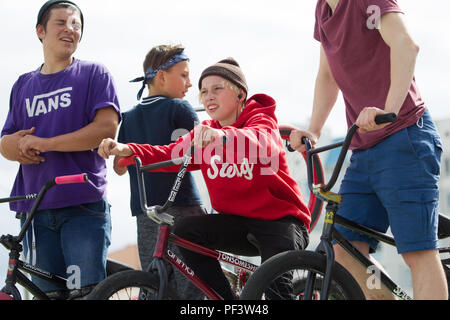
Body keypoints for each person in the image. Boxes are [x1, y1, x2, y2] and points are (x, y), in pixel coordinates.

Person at [98, 57, 311, 299]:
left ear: (240, 94)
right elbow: (170, 154)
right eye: (203, 92)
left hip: (281, 221)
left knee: (276, 289)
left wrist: (221, 137)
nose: (208, 96)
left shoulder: (260, 120)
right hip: (238, 223)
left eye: (217, 89)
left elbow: (262, 144)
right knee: (186, 230)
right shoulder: (205, 133)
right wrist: (130, 150)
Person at [289, 0, 448, 300]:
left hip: (404, 137)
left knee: (418, 252)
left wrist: (389, 108)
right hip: (363, 150)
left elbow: (406, 45)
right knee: (345, 252)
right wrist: (314, 129)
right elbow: (327, 74)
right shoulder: (323, 10)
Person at [0, 0, 121, 298]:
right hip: (34, 207)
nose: (70, 30)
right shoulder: (22, 85)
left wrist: (44, 144)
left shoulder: (95, 73)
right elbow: (5, 142)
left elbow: (105, 129)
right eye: (61, 23)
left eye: (76, 25)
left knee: (85, 294)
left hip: (82, 203)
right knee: (47, 296)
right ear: (41, 31)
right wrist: (17, 147)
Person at [115, 44, 205, 300]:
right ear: (162, 76)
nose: (190, 84)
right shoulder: (181, 108)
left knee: (157, 284)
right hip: (183, 206)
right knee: (194, 282)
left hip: (146, 212)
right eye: (184, 75)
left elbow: (120, 167)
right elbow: (199, 149)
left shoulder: (129, 117)